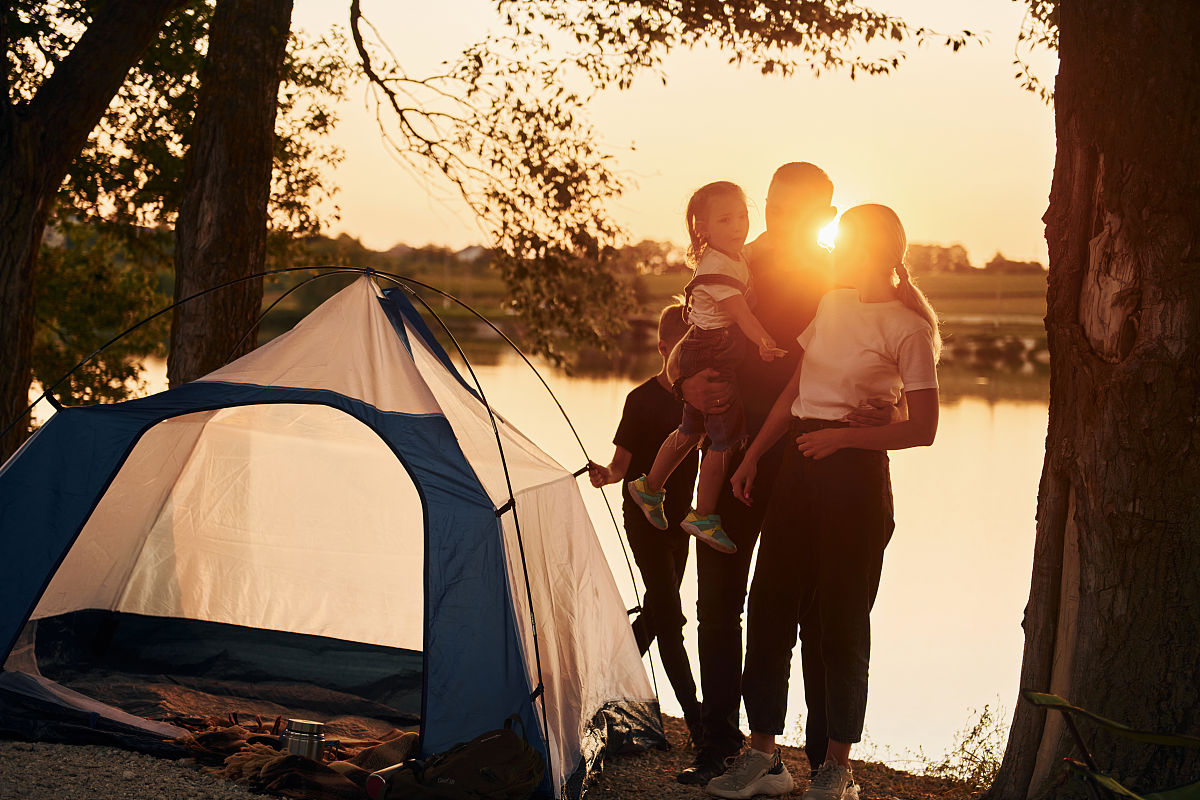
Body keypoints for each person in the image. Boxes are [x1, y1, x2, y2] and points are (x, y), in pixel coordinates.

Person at [708, 203, 942, 800]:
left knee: (841, 619)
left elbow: (923, 428)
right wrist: (757, 454)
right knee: (768, 609)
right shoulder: (832, 304)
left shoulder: (909, 328)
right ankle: (764, 758)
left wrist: (844, 437)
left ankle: (838, 767)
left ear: (881, 253)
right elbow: (796, 388)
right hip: (797, 468)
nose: (834, 252)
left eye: (846, 244)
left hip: (856, 480)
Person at [672, 163, 875, 787]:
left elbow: (867, 349)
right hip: (732, 444)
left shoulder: (841, 273)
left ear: (827, 212)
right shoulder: (734, 258)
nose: (783, 216)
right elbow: (683, 329)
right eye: (775, 204)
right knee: (718, 602)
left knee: (809, 611)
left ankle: (820, 758)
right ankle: (719, 743)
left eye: (801, 208)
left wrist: (875, 401)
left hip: (806, 456)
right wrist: (683, 378)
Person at [626, 181, 783, 555]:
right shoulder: (716, 267)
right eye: (725, 219)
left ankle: (649, 486)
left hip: (706, 349)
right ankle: (703, 514)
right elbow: (741, 314)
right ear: (703, 228)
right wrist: (764, 341)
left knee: (691, 429)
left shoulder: (732, 254)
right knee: (723, 440)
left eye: (742, 216)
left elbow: (756, 246)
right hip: (713, 353)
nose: (738, 226)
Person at [588, 302, 703, 743]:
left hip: (681, 523)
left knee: (657, 614)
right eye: (683, 345)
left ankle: (602, 687)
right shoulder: (640, 400)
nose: (691, 354)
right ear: (663, 348)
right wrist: (606, 474)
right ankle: (697, 722)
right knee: (670, 617)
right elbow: (621, 465)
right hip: (643, 519)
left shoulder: (701, 400)